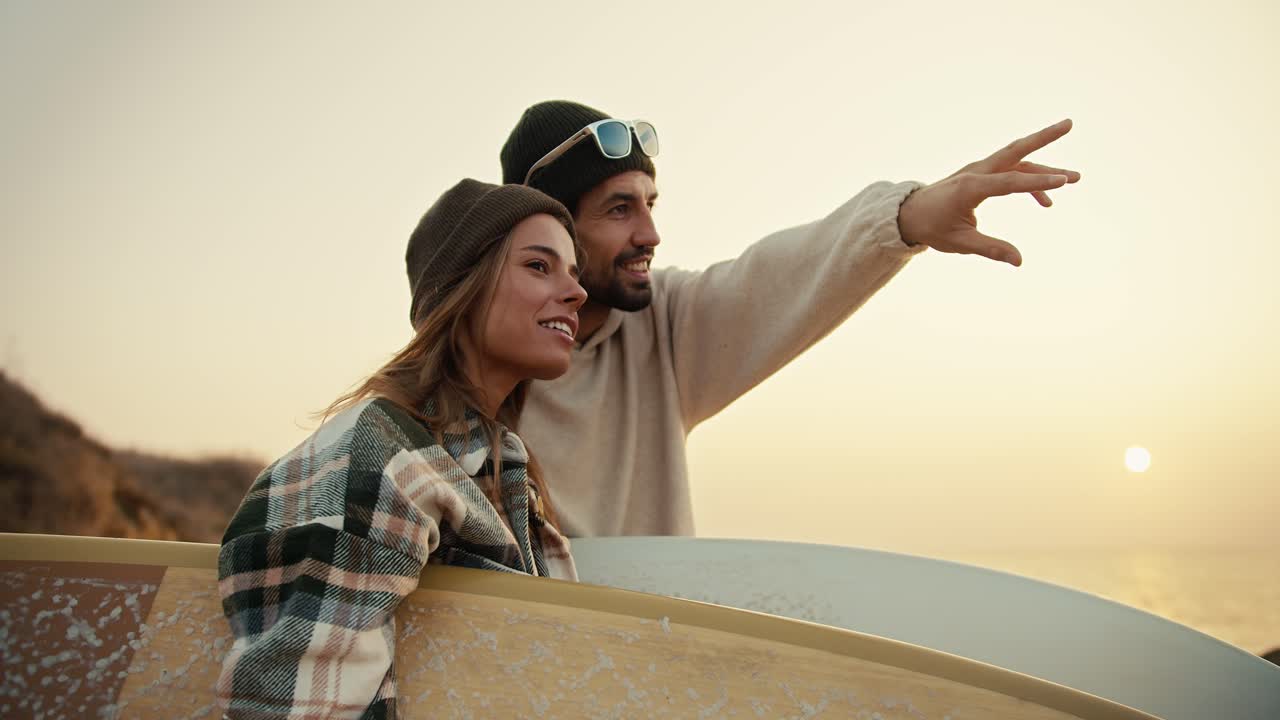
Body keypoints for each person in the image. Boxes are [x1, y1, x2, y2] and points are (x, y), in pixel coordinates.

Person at [495, 101, 1082, 537]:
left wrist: (909, 218)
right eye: (619, 209)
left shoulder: (665, 328)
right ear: (553, 232)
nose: (650, 234)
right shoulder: (476, 364)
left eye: (650, 204)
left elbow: (779, 273)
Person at [216, 179, 587, 719]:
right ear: (463, 287)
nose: (577, 292)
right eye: (538, 265)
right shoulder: (382, 453)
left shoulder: (502, 468)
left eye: (575, 274)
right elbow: (297, 707)